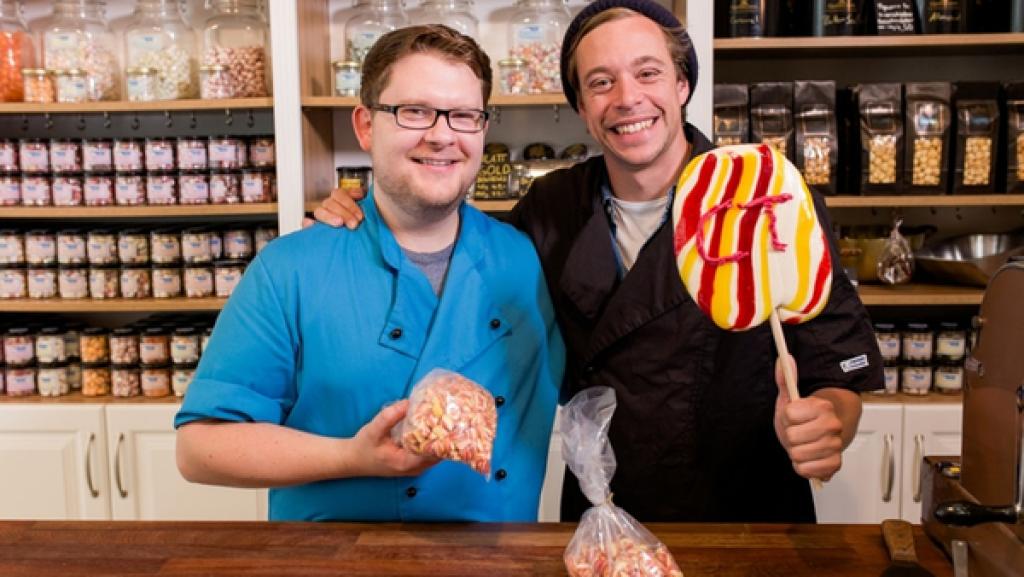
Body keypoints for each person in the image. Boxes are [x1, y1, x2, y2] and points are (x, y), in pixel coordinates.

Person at [313, 0, 882, 524]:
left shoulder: (761, 194)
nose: (627, 98)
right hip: (604, 507)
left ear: (682, 85)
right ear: (583, 109)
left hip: (747, 510)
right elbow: (458, 256)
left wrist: (829, 422)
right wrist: (372, 213)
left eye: (648, 73)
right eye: (601, 82)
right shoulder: (552, 206)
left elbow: (836, 366)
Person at [175, 25, 564, 522]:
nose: (442, 135)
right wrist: (352, 457)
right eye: (415, 111)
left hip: (497, 561)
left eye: (464, 115)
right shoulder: (291, 267)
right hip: (337, 562)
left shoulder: (525, 257)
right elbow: (198, 448)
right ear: (365, 126)